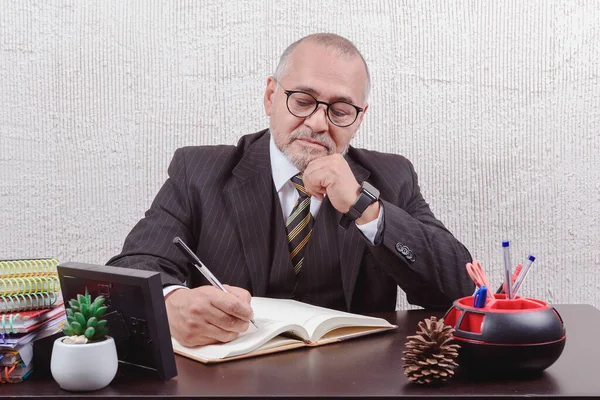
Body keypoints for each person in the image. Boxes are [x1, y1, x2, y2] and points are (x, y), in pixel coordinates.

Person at [107, 33, 474, 347]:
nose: (317, 123)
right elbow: (131, 268)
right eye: (302, 101)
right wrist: (172, 303)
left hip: (354, 382)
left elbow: (461, 290)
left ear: (359, 119)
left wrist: (367, 209)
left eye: (341, 111)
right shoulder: (197, 171)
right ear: (271, 97)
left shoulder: (392, 176)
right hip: (226, 380)